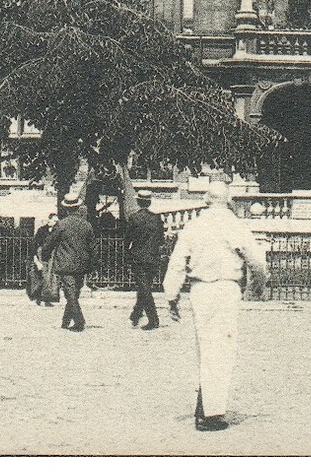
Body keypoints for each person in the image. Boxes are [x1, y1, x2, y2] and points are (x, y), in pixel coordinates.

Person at [161, 180, 269, 432]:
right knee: (222, 348)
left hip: (200, 290)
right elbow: (257, 262)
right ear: (228, 201)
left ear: (206, 201)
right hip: (226, 289)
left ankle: (204, 404)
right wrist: (257, 287)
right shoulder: (236, 226)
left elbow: (177, 262)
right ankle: (212, 413)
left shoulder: (194, 226)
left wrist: (172, 296)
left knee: (205, 346)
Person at [41, 193, 94, 331]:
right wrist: (92, 264)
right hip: (82, 265)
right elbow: (93, 247)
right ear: (77, 208)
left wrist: (45, 256)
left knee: (71, 294)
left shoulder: (61, 225)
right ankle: (65, 322)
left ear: (66, 209)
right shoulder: (87, 225)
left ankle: (79, 322)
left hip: (65, 264)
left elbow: (49, 243)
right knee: (74, 293)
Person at [124, 187, 165, 330]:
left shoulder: (134, 218)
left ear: (139, 202)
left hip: (138, 259)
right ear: (149, 202)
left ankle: (153, 320)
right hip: (153, 258)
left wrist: (128, 253)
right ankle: (135, 315)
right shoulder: (157, 218)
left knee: (144, 288)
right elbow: (161, 240)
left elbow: (127, 239)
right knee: (144, 287)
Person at [29, 213, 59, 307]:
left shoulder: (56, 231)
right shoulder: (41, 230)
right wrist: (36, 259)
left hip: (51, 257)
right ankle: (40, 298)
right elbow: (35, 245)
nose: (55, 223)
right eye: (54, 220)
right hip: (42, 255)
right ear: (49, 220)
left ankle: (46, 299)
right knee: (42, 276)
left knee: (49, 278)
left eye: (56, 221)